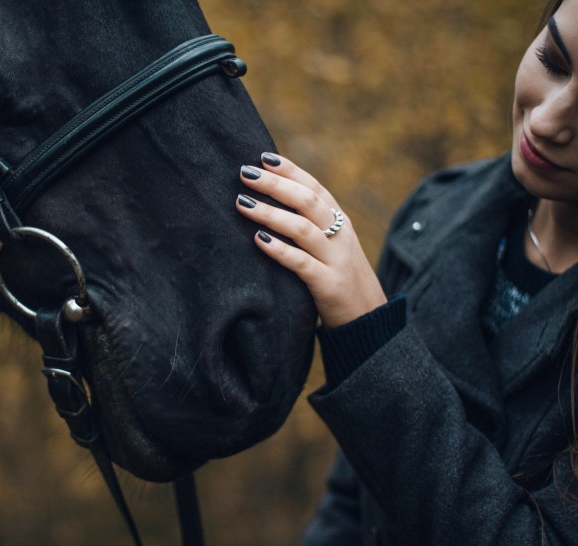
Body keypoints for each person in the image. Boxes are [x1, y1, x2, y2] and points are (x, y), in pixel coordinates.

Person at [234, 0, 578, 543]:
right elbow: (354, 499)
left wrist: (371, 339)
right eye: (554, 61)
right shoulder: (434, 216)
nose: (546, 121)